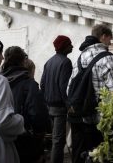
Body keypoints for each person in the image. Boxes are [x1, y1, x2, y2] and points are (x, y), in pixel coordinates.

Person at [67, 24, 113, 163]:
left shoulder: (80, 57)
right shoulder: (108, 58)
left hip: (83, 117)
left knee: (88, 157)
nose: (110, 43)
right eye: (110, 39)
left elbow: (69, 88)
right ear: (103, 36)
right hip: (103, 121)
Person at [1, 46, 49, 163]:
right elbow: (38, 115)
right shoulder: (29, 84)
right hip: (25, 141)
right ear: (23, 61)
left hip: (2, 140)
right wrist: (39, 136)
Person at [41, 35, 73, 163]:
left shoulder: (49, 62)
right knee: (58, 141)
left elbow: (42, 84)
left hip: (49, 106)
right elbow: (63, 87)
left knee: (56, 139)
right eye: (70, 44)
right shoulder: (65, 62)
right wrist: (69, 105)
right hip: (59, 107)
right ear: (64, 47)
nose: (72, 46)